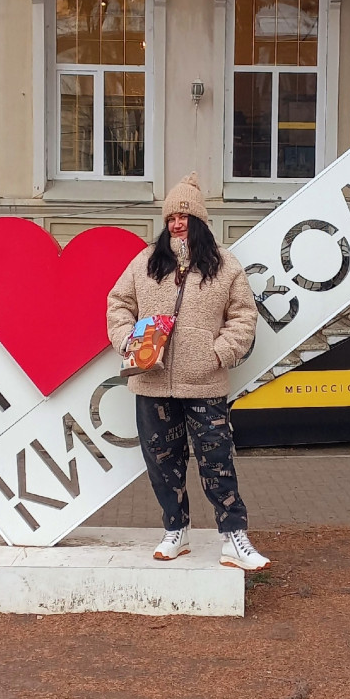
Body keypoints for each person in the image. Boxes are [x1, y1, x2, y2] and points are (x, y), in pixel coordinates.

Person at [107, 172, 270, 571]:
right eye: (170, 218)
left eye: (183, 216)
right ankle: (175, 529)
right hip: (152, 381)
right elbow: (118, 303)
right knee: (163, 463)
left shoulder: (224, 266)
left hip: (205, 384)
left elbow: (244, 316)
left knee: (217, 460)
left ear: (198, 220)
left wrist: (218, 353)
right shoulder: (146, 263)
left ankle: (234, 536)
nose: (176, 223)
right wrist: (128, 341)